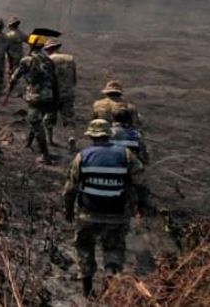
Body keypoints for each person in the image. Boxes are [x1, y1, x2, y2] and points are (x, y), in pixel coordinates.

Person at [63, 119, 145, 297]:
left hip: (88, 213)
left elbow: (70, 188)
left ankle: (87, 291)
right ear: (108, 134)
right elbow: (139, 182)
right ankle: (109, 280)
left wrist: (68, 210)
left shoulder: (83, 156)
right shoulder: (126, 155)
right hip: (116, 214)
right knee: (114, 249)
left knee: (84, 248)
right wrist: (138, 205)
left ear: (92, 136)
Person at [7, 33, 59, 164]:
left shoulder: (27, 60)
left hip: (35, 96)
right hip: (48, 96)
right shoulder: (49, 60)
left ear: (31, 45)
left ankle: (45, 155)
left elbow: (15, 77)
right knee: (36, 119)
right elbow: (54, 80)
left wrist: (10, 87)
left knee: (35, 123)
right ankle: (28, 144)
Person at [43, 39, 77, 145]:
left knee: (49, 118)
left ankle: (50, 139)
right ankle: (71, 137)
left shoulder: (48, 60)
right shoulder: (70, 58)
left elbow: (45, 78)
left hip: (53, 94)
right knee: (68, 117)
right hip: (68, 92)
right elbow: (74, 78)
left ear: (48, 49)